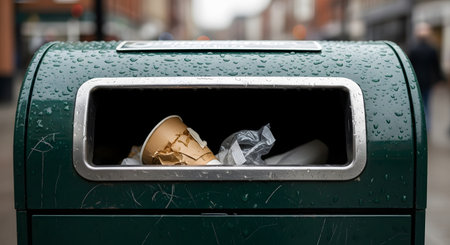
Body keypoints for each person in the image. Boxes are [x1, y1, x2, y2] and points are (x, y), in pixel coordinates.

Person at [409, 22, 445, 131]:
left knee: (418, 104)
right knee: (427, 103)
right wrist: (439, 79)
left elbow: (410, 66)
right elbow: (436, 66)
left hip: (417, 81)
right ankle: (427, 126)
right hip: (428, 81)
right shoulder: (432, 50)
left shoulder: (413, 50)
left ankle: (419, 126)